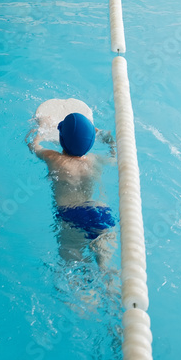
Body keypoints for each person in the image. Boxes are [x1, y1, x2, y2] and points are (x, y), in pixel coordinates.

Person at [28, 112, 116, 268]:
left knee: (70, 262)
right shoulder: (95, 160)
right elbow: (115, 157)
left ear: (61, 139)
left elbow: (33, 146)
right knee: (105, 265)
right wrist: (108, 139)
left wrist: (40, 129)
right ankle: (110, 284)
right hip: (101, 212)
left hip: (71, 214)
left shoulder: (54, 158)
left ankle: (84, 292)